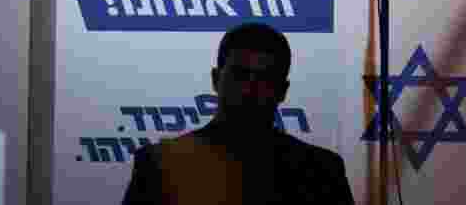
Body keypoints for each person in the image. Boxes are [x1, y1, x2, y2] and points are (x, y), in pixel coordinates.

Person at [121, 23, 353, 205]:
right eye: (240, 75)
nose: (250, 88)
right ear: (215, 79)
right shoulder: (159, 164)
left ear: (282, 91)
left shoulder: (321, 171)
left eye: (264, 78)